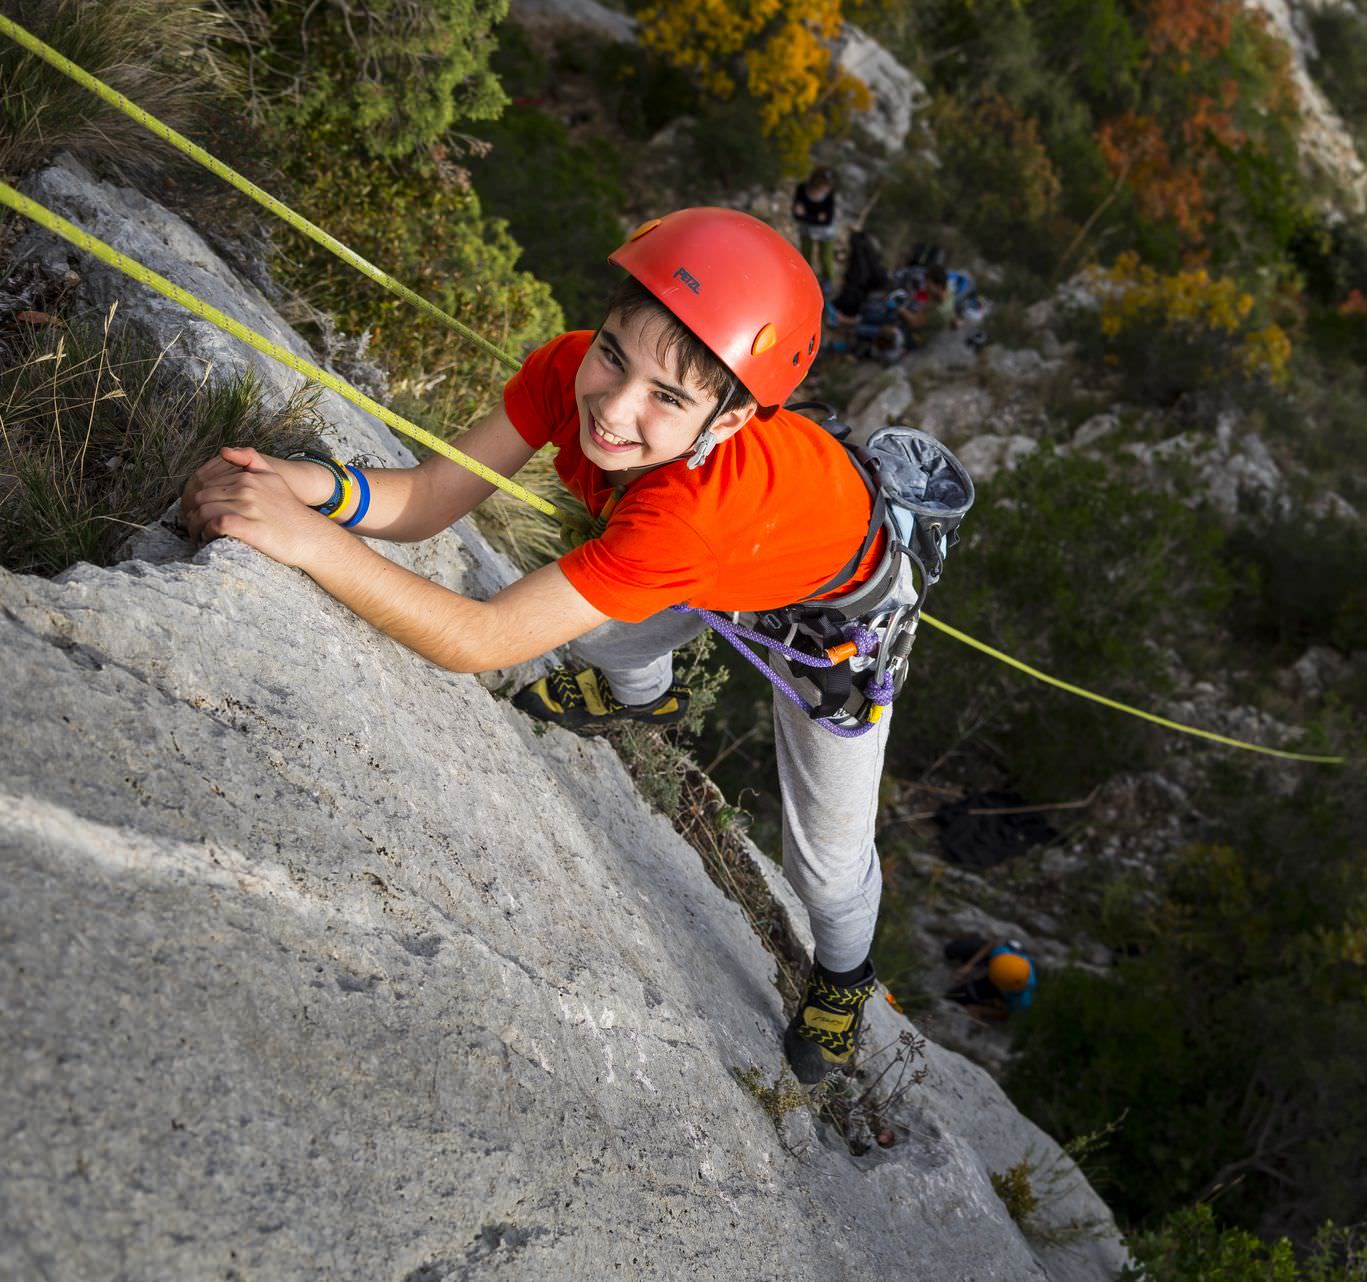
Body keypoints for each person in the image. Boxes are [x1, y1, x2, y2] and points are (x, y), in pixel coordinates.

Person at [181, 208, 898, 1084]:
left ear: (736, 415)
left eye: (667, 398)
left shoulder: (685, 517)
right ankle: (644, 700)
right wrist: (290, 482)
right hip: (729, 553)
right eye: (614, 355)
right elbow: (432, 496)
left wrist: (305, 539)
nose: (614, 406)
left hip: (834, 610)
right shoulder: (569, 369)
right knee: (601, 634)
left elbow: (477, 639)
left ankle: (844, 978)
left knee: (822, 862)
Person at [942, 936, 1036, 1021]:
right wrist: (969, 966)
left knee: (954, 996)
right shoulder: (1003, 955)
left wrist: (982, 1011)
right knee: (953, 950)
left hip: (1001, 989)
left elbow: (1007, 1014)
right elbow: (992, 945)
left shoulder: (1024, 999)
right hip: (999, 968)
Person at [791, 166, 836, 281]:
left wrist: (806, 215)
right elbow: (796, 214)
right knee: (806, 257)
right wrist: (817, 217)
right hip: (806, 230)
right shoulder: (802, 189)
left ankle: (828, 280)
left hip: (825, 232)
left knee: (826, 258)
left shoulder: (829, 196)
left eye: (828, 185)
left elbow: (828, 220)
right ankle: (807, 278)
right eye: (824, 184)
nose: (826, 188)